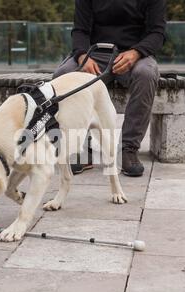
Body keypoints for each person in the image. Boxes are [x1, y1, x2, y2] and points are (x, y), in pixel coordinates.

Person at [53, 0, 167, 177]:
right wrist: (83, 55)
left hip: (134, 55)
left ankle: (129, 149)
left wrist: (136, 52)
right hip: (94, 54)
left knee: (146, 74)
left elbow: (157, 33)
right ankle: (79, 148)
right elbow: (80, 30)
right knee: (64, 74)